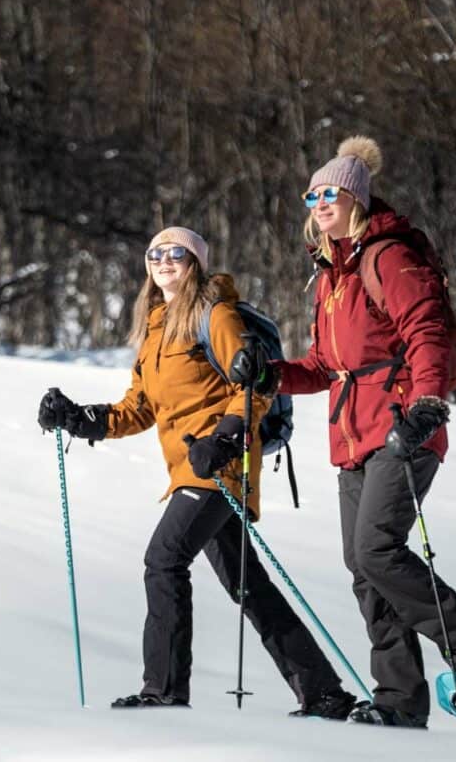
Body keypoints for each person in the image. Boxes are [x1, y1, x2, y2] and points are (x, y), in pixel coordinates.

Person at [232, 136, 456, 728]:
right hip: (353, 434)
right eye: (312, 194)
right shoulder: (332, 275)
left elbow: (428, 330)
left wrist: (428, 405)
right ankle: (399, 700)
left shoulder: (387, 255)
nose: (319, 202)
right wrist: (269, 372)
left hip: (404, 423)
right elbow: (322, 367)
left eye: (330, 192)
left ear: (356, 195)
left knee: (378, 550)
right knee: (362, 567)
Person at [37, 226, 355, 717]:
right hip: (191, 470)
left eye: (176, 253)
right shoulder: (156, 329)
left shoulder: (216, 314)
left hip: (216, 469)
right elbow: (137, 409)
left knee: (163, 560)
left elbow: (255, 385)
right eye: (155, 254)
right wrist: (80, 418)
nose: (164, 261)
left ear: (196, 263)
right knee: (249, 587)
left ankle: (164, 691)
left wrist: (225, 439)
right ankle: (325, 693)